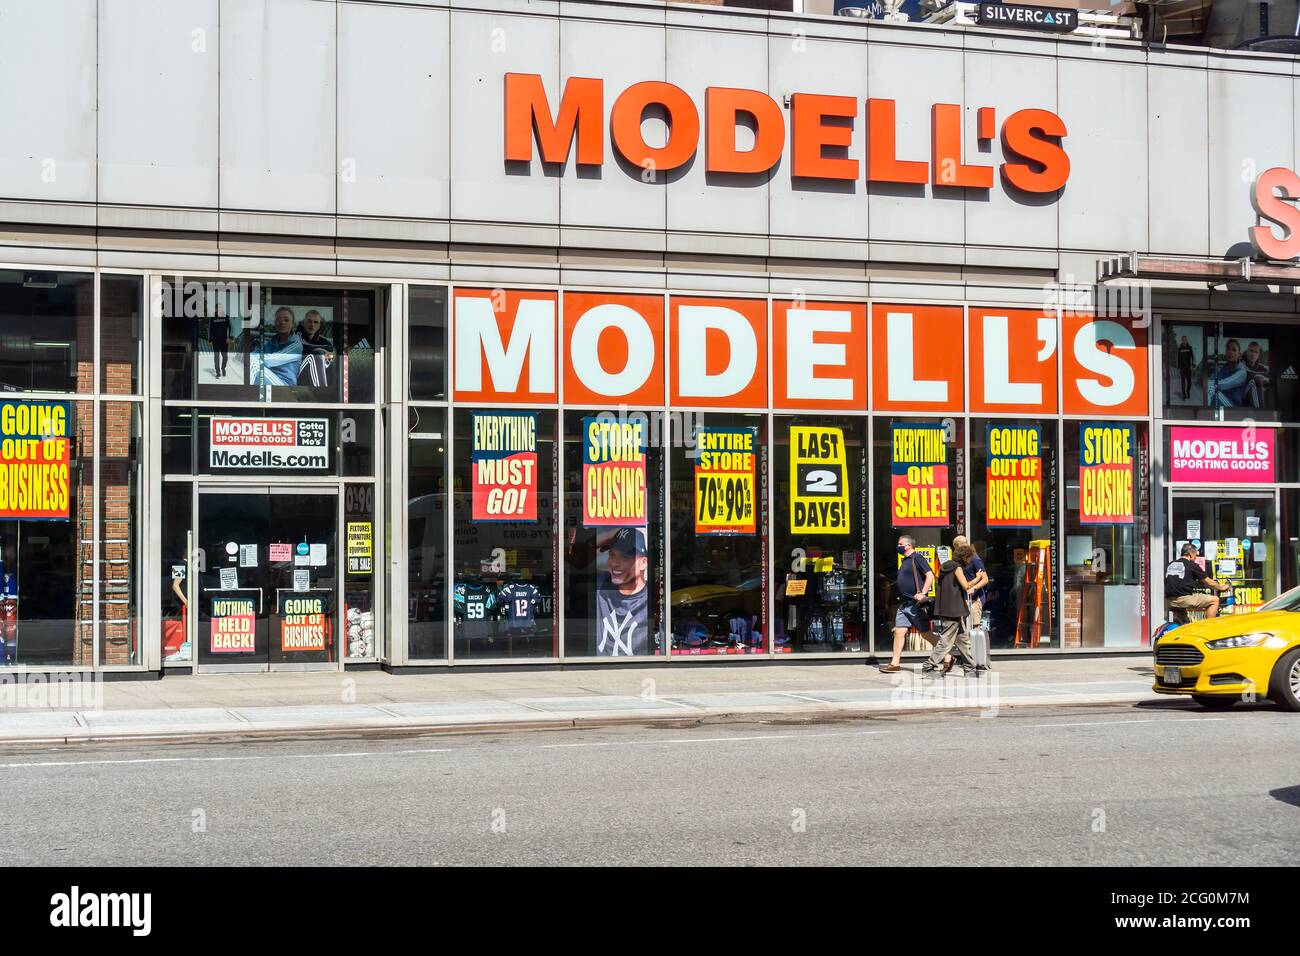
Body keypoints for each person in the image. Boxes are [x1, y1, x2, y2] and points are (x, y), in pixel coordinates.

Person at [880, 535, 933, 674]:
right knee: (899, 632)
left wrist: (923, 593)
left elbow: (930, 575)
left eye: (900, 543)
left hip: (915, 604)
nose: (898, 546)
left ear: (909, 545)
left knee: (926, 634)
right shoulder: (905, 561)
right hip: (904, 604)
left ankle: (948, 656)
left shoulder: (917, 558)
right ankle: (895, 663)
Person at [595, 527, 649, 657]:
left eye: (625, 557)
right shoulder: (601, 587)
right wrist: (609, 535)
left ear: (643, 563)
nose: (614, 563)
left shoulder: (652, 598)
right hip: (600, 671)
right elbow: (573, 557)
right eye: (612, 554)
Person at [922, 554, 979, 677]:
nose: (970, 562)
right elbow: (966, 585)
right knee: (946, 640)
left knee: (963, 640)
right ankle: (929, 666)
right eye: (969, 559)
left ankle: (970, 668)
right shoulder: (957, 568)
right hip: (954, 609)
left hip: (948, 608)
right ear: (964, 558)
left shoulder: (944, 567)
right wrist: (978, 578)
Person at [1164, 543, 1230, 619]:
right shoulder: (1191, 565)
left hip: (1169, 600)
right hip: (1183, 599)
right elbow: (1209, 582)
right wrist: (1221, 587)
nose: (1196, 558)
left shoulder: (1171, 564)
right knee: (1214, 600)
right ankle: (1209, 627)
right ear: (1190, 554)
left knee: (1184, 623)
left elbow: (1179, 580)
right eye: (1195, 555)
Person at [257, 307, 303, 388]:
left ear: (293, 324)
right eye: (278, 320)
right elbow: (256, 353)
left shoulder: (296, 345)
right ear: (275, 323)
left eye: (286, 320)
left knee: (254, 369)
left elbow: (270, 360)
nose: (282, 322)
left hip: (285, 384)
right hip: (270, 377)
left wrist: (248, 358)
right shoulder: (272, 342)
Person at [952, 535, 988, 636]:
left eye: (956, 547)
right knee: (963, 624)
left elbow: (985, 579)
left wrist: (974, 588)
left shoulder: (975, 559)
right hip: (963, 596)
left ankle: (976, 648)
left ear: (959, 546)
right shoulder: (960, 559)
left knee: (974, 624)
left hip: (974, 597)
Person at [297, 309, 334, 387]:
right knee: (317, 355)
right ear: (304, 323)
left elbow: (330, 350)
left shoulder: (324, 341)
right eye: (309, 321)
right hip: (298, 373)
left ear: (319, 325)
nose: (312, 325)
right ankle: (322, 389)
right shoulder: (296, 336)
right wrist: (322, 351)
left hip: (317, 372)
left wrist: (323, 352)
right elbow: (305, 347)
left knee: (329, 359)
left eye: (316, 322)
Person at [208, 302, 233, 379]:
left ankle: (223, 368)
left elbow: (230, 327)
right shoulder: (212, 318)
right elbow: (210, 329)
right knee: (216, 357)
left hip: (224, 341)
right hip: (215, 340)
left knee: (225, 356)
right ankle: (218, 372)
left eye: (221, 307)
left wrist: (229, 337)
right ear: (216, 309)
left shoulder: (226, 317)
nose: (220, 309)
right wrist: (209, 340)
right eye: (218, 308)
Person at [1176, 335, 1194, 401]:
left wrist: (1192, 365)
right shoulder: (1180, 348)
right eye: (1183, 339)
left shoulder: (1190, 348)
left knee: (1189, 381)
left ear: (1187, 340)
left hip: (1188, 367)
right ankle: (1184, 395)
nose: (1184, 340)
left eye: (1185, 339)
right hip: (1182, 367)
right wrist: (1178, 366)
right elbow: (1178, 357)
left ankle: (1188, 391)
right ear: (1182, 340)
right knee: (1183, 381)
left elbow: (1192, 357)